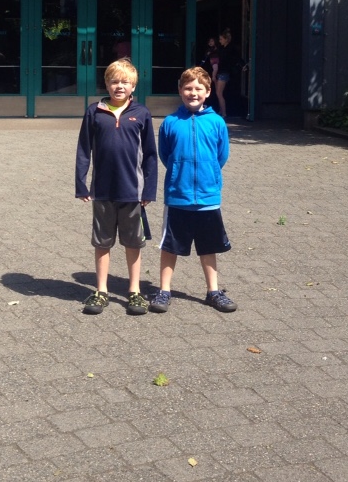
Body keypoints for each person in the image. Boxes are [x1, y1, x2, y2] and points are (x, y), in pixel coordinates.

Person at [150, 66, 236, 314]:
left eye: (199, 88)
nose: (193, 93)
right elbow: (165, 155)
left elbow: (221, 156)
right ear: (180, 91)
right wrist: (179, 171)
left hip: (208, 197)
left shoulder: (216, 122)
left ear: (208, 92)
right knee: (170, 246)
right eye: (188, 88)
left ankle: (213, 291)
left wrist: (209, 173)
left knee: (209, 246)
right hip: (178, 196)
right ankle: (164, 290)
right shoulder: (170, 122)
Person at [75, 59, 157, 316]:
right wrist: (81, 183)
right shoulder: (94, 111)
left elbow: (151, 155)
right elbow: (83, 149)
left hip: (133, 191)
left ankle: (134, 291)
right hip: (102, 190)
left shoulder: (141, 113)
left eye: (125, 82)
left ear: (133, 86)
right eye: (114, 81)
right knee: (102, 242)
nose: (119, 86)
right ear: (106, 84)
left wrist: (149, 190)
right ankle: (101, 290)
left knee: (133, 243)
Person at [214, 28, 241, 121]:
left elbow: (234, 59)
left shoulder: (229, 49)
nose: (220, 41)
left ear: (226, 39)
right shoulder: (223, 49)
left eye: (221, 39)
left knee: (219, 93)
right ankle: (221, 111)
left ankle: (224, 113)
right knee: (218, 93)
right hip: (221, 72)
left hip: (224, 72)